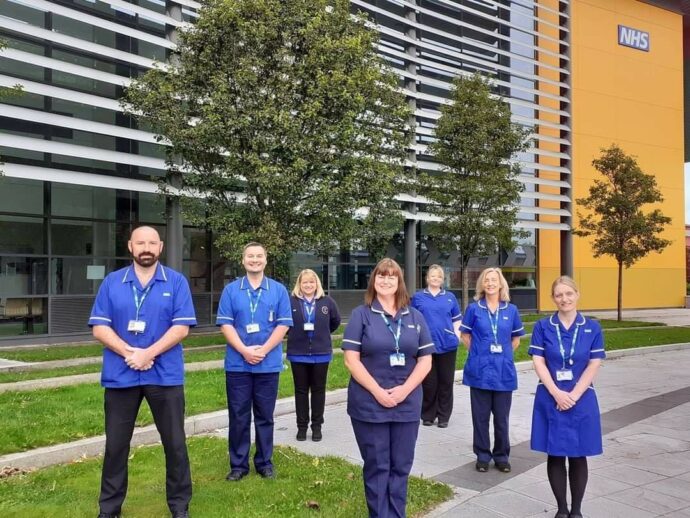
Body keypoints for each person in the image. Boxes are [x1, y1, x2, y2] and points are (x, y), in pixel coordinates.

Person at [89, 225, 196, 518]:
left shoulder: (176, 282)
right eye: (140, 243)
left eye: (151, 243)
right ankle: (109, 509)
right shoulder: (112, 283)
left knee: (175, 444)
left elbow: (181, 327)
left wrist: (148, 353)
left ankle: (179, 507)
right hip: (121, 375)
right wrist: (130, 353)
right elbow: (100, 327)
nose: (146, 248)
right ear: (130, 247)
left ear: (160, 247)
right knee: (115, 446)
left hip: (165, 375)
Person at [342, 258, 434, 518]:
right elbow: (351, 360)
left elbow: (426, 360)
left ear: (399, 282)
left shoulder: (414, 316)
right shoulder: (362, 315)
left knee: (401, 466)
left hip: (406, 404)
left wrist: (405, 390)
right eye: (381, 275)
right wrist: (378, 391)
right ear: (374, 280)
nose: (386, 280)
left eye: (391, 276)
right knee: (377, 466)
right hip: (369, 404)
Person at [528, 276, 605, 518]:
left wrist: (573, 394)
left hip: (581, 398)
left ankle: (577, 511)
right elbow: (538, 361)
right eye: (559, 295)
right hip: (550, 396)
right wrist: (557, 393)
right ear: (553, 298)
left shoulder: (592, 327)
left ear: (577, 295)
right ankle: (562, 509)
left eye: (568, 294)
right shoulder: (543, 326)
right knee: (556, 452)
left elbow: (594, 363)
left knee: (579, 453)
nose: (564, 299)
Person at [216, 242, 293, 481]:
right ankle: (238, 466)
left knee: (265, 415)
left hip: (268, 364)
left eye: (259, 256)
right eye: (250, 256)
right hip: (238, 364)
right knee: (238, 415)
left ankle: (264, 462)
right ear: (243, 260)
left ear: (266, 260)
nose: (255, 260)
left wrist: (264, 350)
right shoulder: (231, 290)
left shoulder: (278, 290)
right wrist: (244, 350)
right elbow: (226, 324)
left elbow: (283, 325)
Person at [460, 267, 524, 474]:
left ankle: (501, 456)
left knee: (501, 418)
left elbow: (515, 340)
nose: (490, 283)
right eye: (486, 280)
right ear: (482, 284)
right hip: (480, 371)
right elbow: (465, 336)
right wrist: (479, 354)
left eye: (494, 280)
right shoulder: (473, 309)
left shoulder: (511, 310)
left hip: (503, 372)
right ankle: (482, 456)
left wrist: (502, 355)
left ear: (501, 283)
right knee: (480, 417)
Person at [286, 269, 341, 442]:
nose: (308, 285)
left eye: (312, 282)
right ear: (299, 284)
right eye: (305, 282)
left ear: (317, 284)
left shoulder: (327, 302)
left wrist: (321, 334)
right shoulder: (291, 302)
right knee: (300, 391)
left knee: (318, 391)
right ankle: (301, 427)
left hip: (321, 354)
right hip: (298, 354)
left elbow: (335, 322)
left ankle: (317, 426)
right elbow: (284, 324)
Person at [411, 265, 461, 428]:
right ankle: (428, 415)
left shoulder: (450, 297)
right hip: (426, 346)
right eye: (432, 276)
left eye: (438, 276)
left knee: (446, 381)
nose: (435, 279)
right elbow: (412, 320)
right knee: (429, 382)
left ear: (442, 279)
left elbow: (456, 320)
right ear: (427, 278)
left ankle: (444, 416)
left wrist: (456, 336)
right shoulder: (418, 297)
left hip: (447, 345)